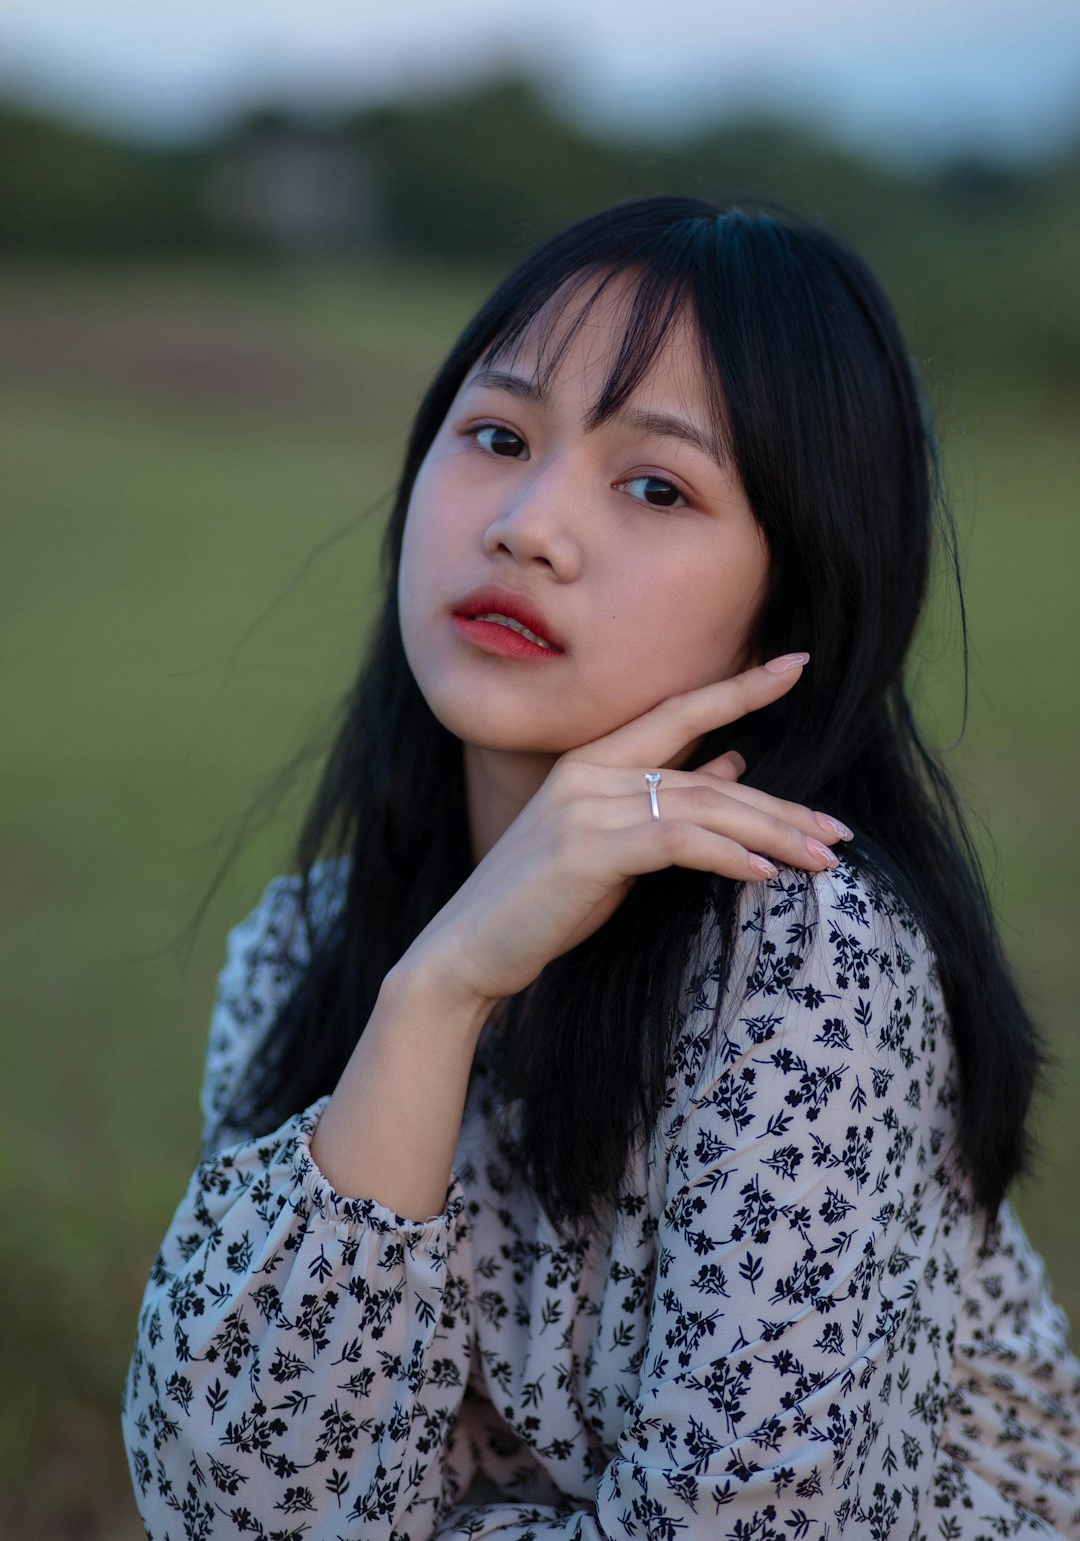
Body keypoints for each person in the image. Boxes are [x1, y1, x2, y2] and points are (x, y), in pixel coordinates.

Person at [120, 195, 1080, 1540]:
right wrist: (438, 991)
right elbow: (225, 1509)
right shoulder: (308, 950)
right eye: (498, 435)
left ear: (793, 601)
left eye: (656, 486)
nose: (528, 523)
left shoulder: (809, 958)